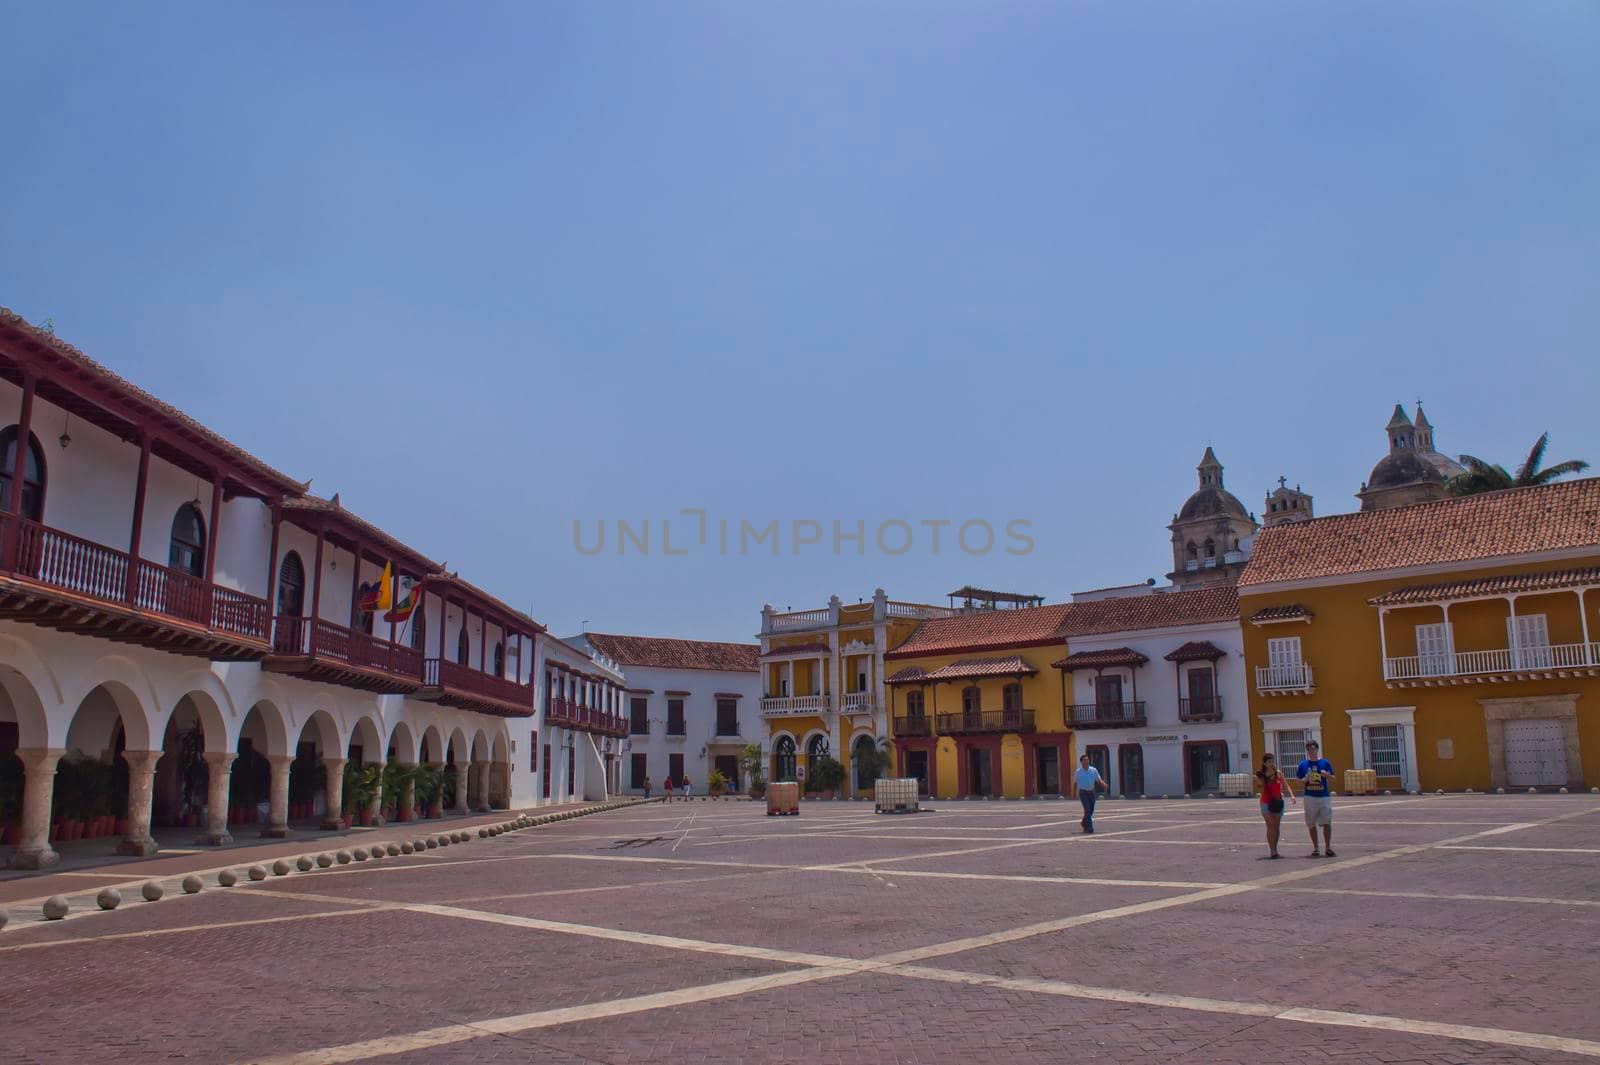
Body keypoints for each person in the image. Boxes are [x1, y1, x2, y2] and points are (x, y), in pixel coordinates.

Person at [1296, 739, 1336, 857]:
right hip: (1309, 797)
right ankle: (1316, 848)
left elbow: (1333, 777)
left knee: (1327, 822)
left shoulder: (1325, 762)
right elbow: (1298, 781)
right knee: (1311, 823)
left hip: (1324, 796)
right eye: (1309, 749)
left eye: (1314, 748)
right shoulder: (1303, 764)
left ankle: (1328, 847)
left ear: (1317, 749)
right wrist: (1305, 780)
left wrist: (1327, 775)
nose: (1312, 751)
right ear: (1307, 751)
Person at [1255, 752, 1296, 859]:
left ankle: (1275, 848)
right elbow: (1261, 787)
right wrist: (1261, 779)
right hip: (1265, 802)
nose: (1271, 763)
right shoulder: (1262, 775)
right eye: (1269, 761)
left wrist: (1292, 796)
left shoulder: (1278, 773)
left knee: (1276, 827)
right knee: (1271, 826)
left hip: (1277, 802)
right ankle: (1272, 850)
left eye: (1272, 761)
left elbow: (1286, 785)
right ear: (1264, 763)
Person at [1074, 754, 1107, 834]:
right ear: (1081, 762)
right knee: (1087, 810)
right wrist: (1074, 793)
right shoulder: (1078, 772)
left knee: (1091, 810)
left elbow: (1098, 779)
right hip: (1083, 793)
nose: (1087, 762)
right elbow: (1075, 783)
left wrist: (1104, 784)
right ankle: (1089, 828)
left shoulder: (1093, 770)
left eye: (1087, 760)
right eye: (1085, 760)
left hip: (1091, 792)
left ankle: (1083, 822)